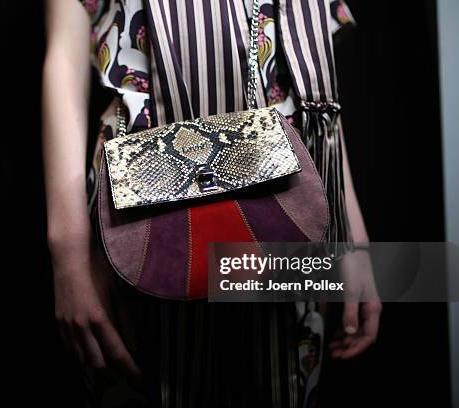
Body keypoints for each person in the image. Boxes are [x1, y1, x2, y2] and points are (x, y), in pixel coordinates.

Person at [42, 0, 382, 406]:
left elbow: (314, 88)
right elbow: (64, 61)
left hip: (284, 193)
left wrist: (351, 236)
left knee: (278, 380)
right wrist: (68, 254)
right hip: (140, 207)